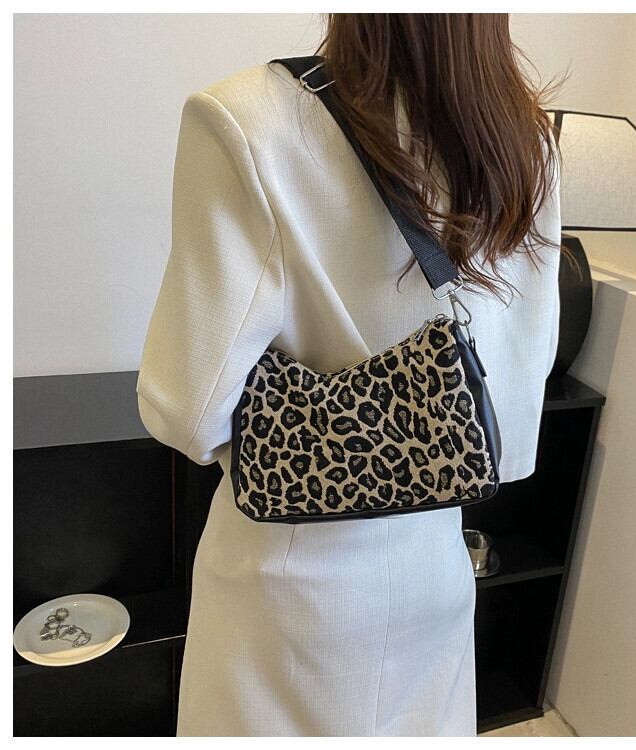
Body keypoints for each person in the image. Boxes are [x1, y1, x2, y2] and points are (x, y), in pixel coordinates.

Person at [136, 13, 562, 737]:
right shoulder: (526, 140)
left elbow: (185, 413)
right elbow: (511, 432)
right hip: (436, 563)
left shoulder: (244, 118)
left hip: (285, 584)